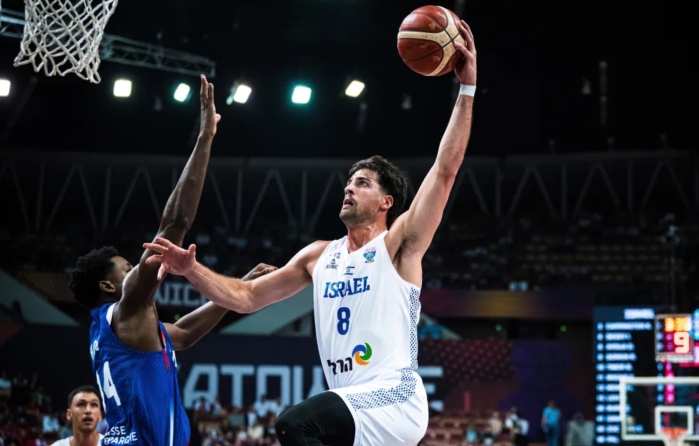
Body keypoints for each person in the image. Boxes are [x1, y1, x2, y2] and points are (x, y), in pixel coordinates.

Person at [142, 20, 478, 446]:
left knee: (295, 424)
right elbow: (246, 297)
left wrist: (466, 89)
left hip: (395, 397)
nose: (348, 188)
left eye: (362, 183)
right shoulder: (319, 256)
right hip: (352, 406)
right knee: (301, 428)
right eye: (348, 182)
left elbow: (444, 171)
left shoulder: (399, 245)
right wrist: (191, 270)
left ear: (386, 202)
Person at [67, 74, 276, 446]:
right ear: (108, 285)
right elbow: (176, 222)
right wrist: (205, 136)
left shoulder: (120, 330)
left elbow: (185, 333)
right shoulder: (127, 307)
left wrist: (239, 287)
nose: (137, 269)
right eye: (128, 268)